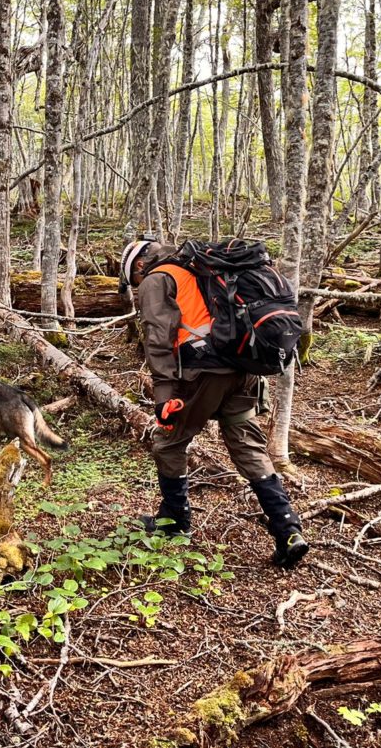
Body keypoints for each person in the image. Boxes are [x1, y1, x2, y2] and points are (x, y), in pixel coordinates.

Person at [120, 239, 309, 569]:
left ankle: (174, 522)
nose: (137, 288)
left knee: (168, 442)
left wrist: (164, 395)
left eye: (133, 282)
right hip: (244, 370)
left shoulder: (158, 278)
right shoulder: (205, 268)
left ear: (138, 267)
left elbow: (159, 338)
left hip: (204, 373)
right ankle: (288, 528)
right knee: (248, 447)